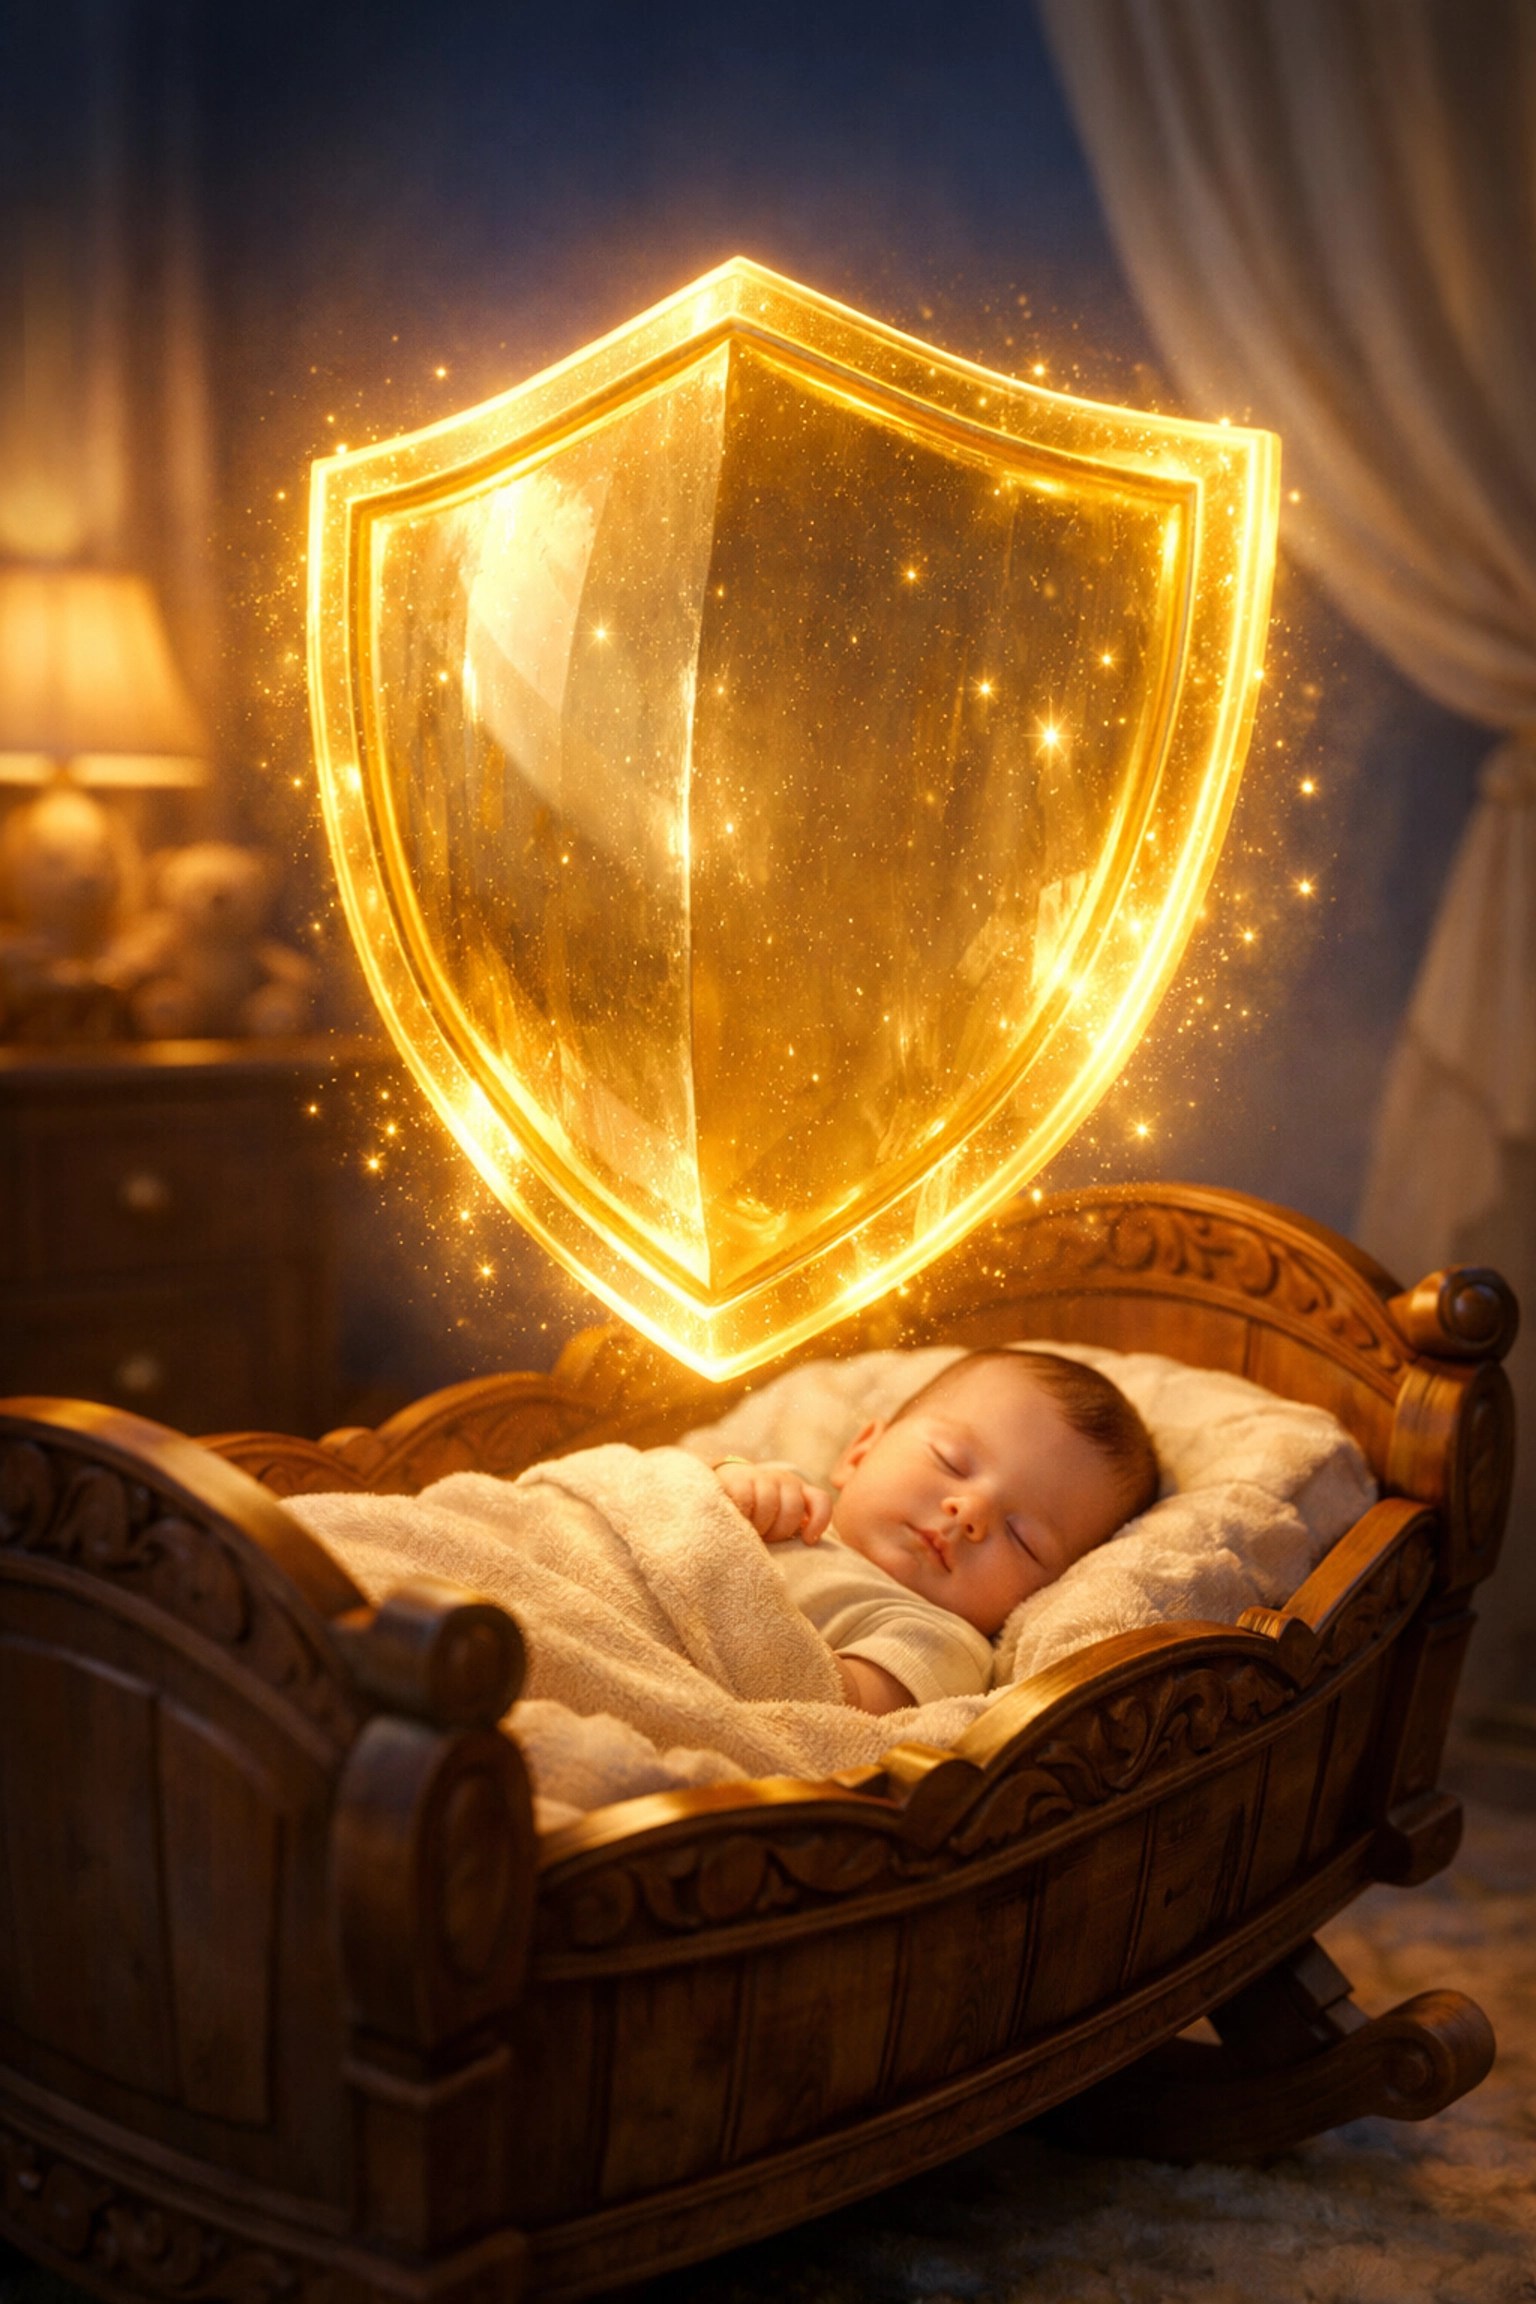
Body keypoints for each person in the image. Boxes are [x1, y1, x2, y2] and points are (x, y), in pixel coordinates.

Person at [709, 1349, 1159, 1714]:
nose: (971, 1511)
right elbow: (666, 1497)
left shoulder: (942, 1644)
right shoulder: (789, 1491)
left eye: (1022, 1537)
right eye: (950, 1461)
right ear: (860, 1453)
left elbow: (828, 1715)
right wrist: (728, 1479)